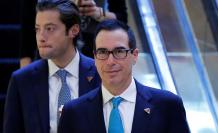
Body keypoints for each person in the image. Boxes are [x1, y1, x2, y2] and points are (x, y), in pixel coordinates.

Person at [58, 19, 190, 133]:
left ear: (135, 55)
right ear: (95, 57)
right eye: (102, 52)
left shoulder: (167, 106)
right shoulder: (74, 112)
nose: (110, 61)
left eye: (119, 51)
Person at [3, 1, 100, 133]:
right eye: (38, 29)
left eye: (49, 29)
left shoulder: (100, 73)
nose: (41, 37)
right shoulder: (21, 80)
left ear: (74, 30)